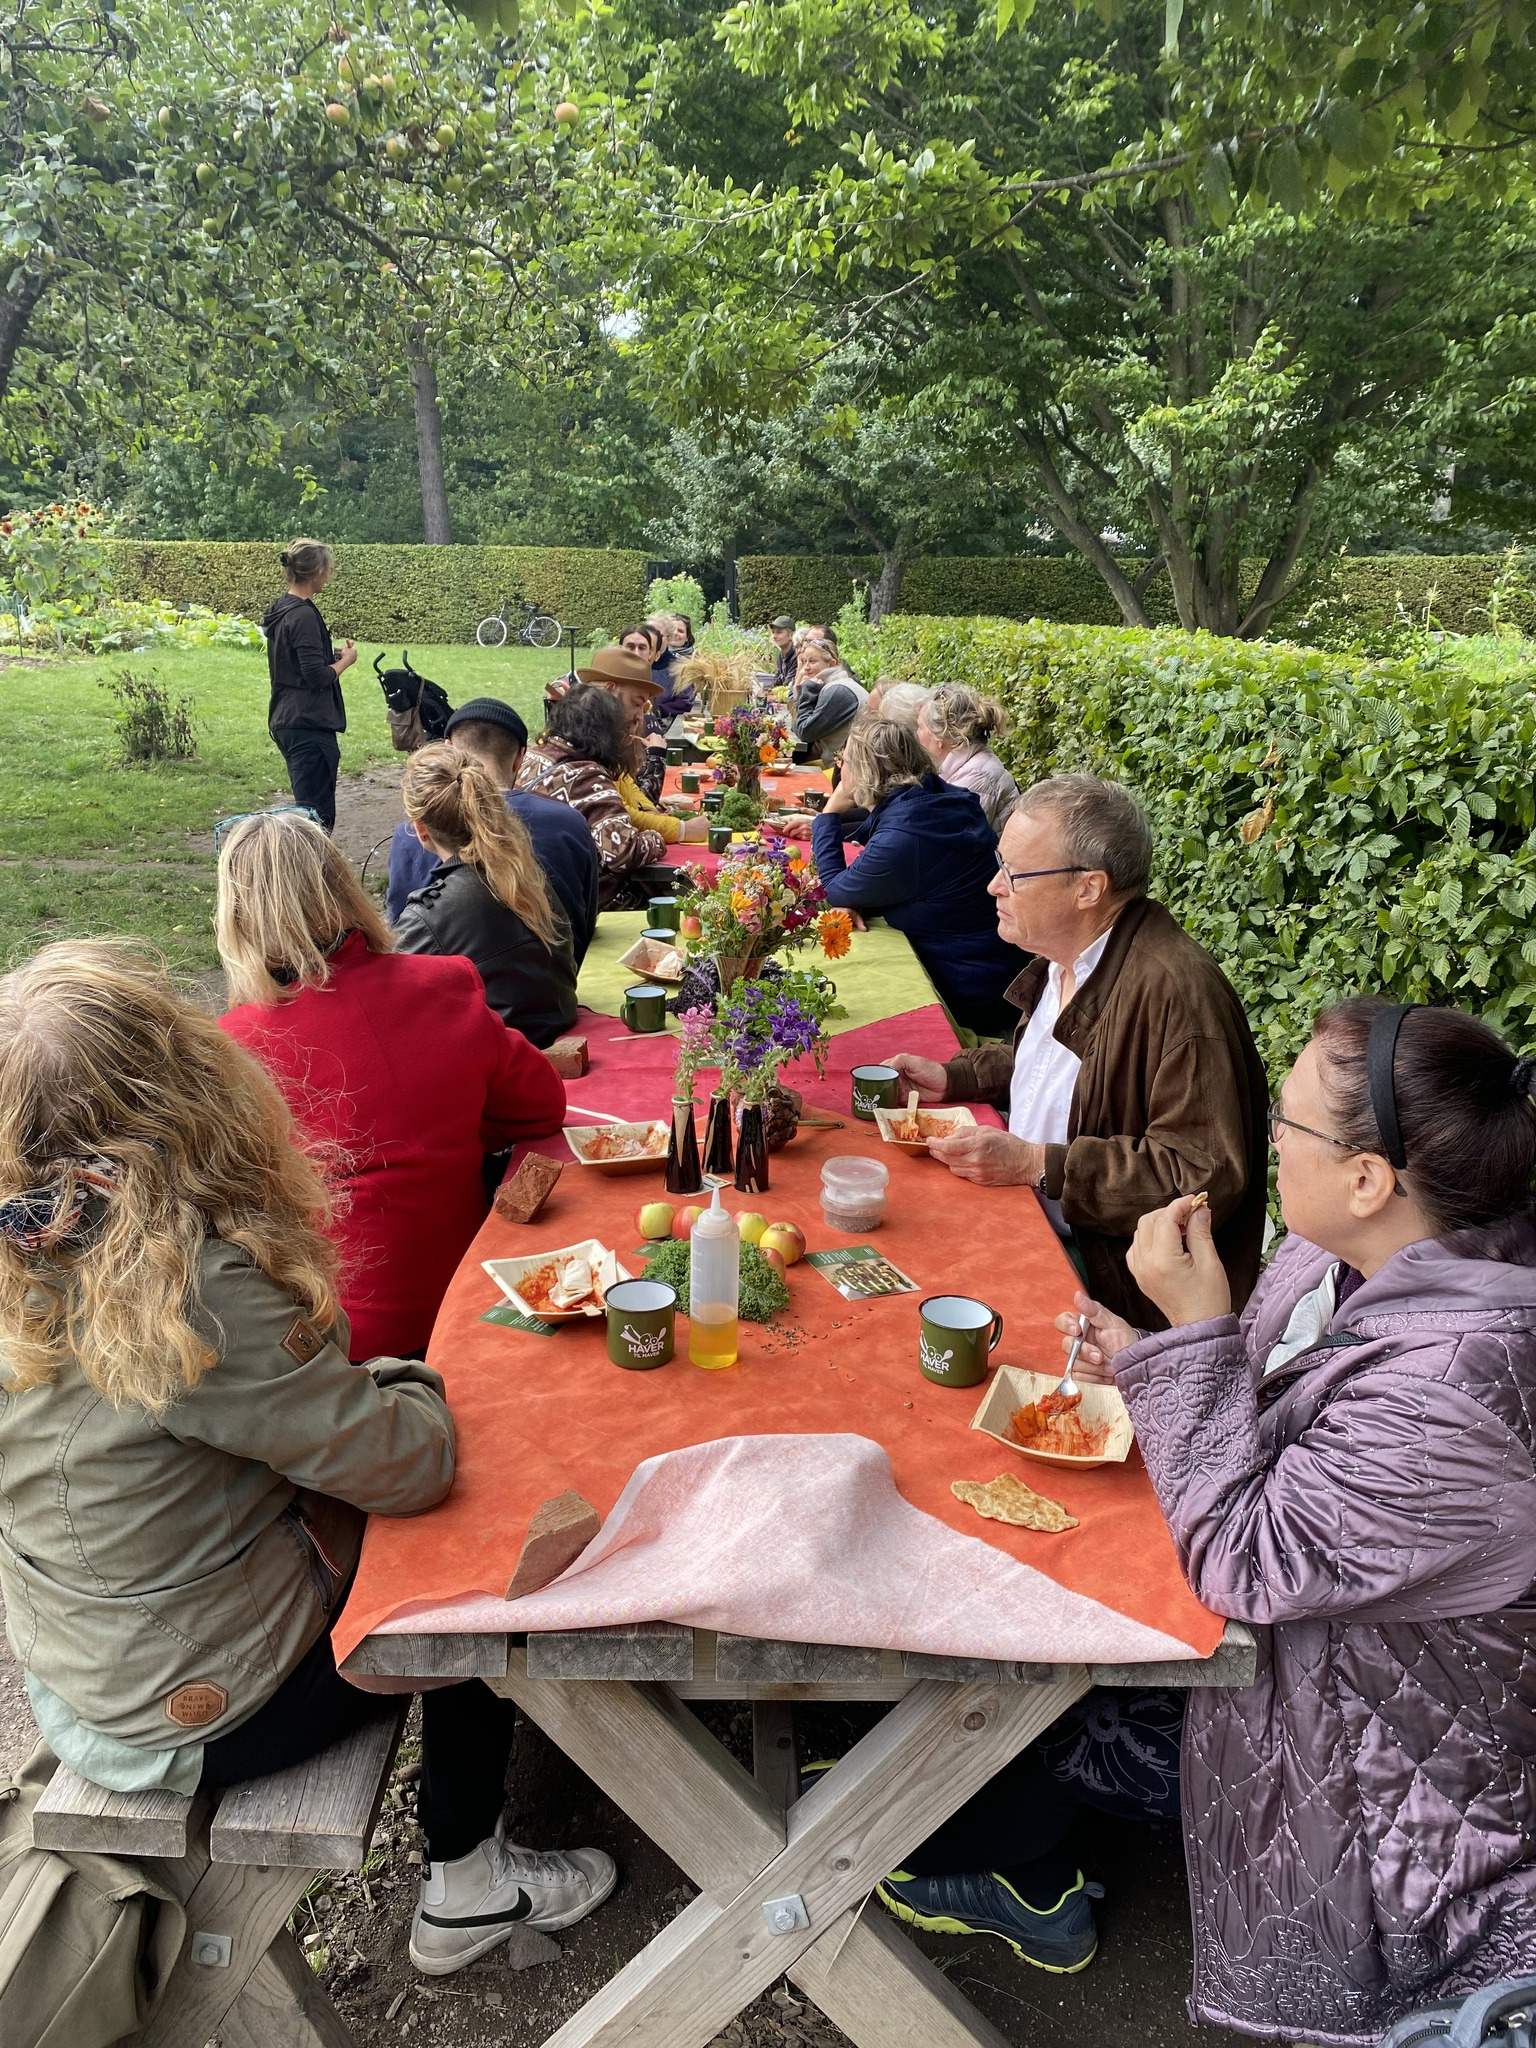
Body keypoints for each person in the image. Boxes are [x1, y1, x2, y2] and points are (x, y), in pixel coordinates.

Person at [886, 1001, 1536, 2032]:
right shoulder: (1347, 1256)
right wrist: (1150, 1356)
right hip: (1319, 1647)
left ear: (1369, 1178)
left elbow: (1247, 1558)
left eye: (1286, 1124)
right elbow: (1285, 1411)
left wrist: (1190, 1334)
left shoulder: (1455, 1387)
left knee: (1050, 1684)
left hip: (1380, 1786)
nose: (1268, 1143)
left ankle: (994, 1858)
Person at [0, 940, 613, 1978]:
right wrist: (417, 1373)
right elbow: (407, 1462)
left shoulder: (30, 1247)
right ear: (187, 1088)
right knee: (463, 1564)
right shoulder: (178, 1284)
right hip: (199, 1703)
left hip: (87, 1663)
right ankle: (466, 1880)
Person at [881, 774, 1269, 1327]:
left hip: (1111, 1285)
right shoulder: (1073, 953)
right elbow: (1062, 1066)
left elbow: (1201, 1178)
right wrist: (955, 1078)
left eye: (1014, 874)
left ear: (1089, 888)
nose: (994, 885)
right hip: (1031, 1219)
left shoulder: (1177, 996)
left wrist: (1040, 1164)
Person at [216, 811, 567, 1360]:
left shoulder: (232, 1048)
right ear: (344, 888)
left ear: (237, 919)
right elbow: (542, 1105)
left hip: (335, 1345)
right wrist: (454, 1125)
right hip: (477, 1305)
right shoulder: (444, 983)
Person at [811, 716, 1021, 1037]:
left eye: (844, 761)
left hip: (968, 989)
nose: (841, 770)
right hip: (996, 968)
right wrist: (860, 895)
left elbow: (836, 892)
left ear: (865, 771)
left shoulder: (905, 835)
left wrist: (829, 813)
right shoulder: (939, 797)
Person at [385, 698, 599, 963]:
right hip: (562, 985)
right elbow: (585, 926)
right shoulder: (569, 824)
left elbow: (399, 942)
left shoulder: (413, 834)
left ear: (449, 750)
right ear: (521, 757)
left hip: (452, 992)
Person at [394, 745, 578, 1049]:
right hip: (553, 1031)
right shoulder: (524, 874)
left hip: (500, 1059)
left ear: (420, 830)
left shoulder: (430, 914)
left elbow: (383, 995)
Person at [518, 684, 674, 910]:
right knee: (672, 907)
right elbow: (622, 853)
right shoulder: (586, 777)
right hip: (584, 906)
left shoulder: (533, 757)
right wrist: (655, 840)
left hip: (533, 895)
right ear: (606, 732)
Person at [262, 538, 355, 834]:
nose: (329, 576)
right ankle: (311, 877)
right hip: (307, 723)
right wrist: (346, 661)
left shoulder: (283, 608)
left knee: (310, 812)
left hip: (288, 718)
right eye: (328, 570)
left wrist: (329, 655)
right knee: (316, 819)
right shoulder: (302, 615)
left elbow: (296, 660)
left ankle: (311, 875)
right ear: (316, 573)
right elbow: (315, 676)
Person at [917, 684, 1020, 835]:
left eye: (919, 727)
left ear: (939, 736)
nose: (916, 735)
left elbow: (952, 840)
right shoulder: (966, 767)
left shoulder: (977, 778)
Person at [792, 635, 869, 762]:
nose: (805, 668)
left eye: (812, 661)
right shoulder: (831, 685)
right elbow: (796, 727)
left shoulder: (837, 691)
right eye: (804, 661)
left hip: (847, 771)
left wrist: (806, 692)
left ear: (831, 663)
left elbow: (804, 732)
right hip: (841, 764)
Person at [769, 615, 798, 690]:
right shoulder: (780, 655)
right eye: (773, 632)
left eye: (779, 632)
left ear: (791, 635)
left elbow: (788, 685)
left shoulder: (797, 655)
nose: (774, 636)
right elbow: (777, 679)